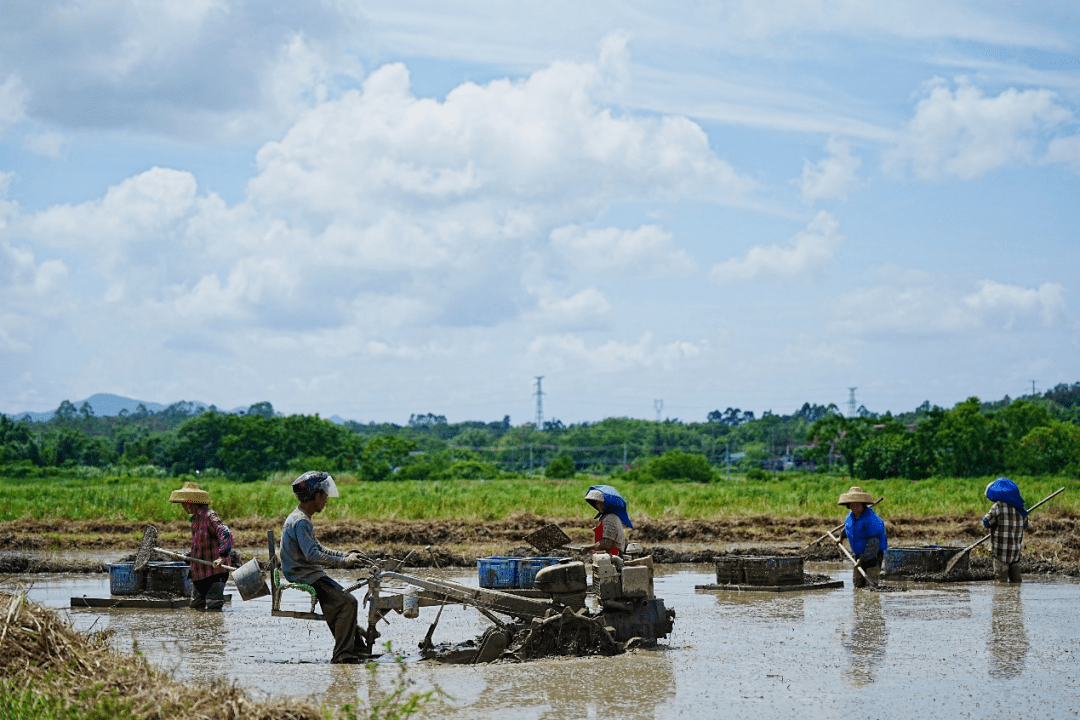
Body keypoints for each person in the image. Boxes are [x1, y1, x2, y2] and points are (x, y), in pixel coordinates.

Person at [280, 470, 368, 663]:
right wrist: (344, 562)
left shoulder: (301, 517)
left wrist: (344, 555)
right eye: (324, 494)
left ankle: (358, 648)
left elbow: (317, 547)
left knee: (338, 602)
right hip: (304, 574)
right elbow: (312, 555)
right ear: (315, 495)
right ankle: (343, 655)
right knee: (348, 602)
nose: (327, 499)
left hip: (306, 571)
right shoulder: (301, 521)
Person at [168, 481, 233, 611]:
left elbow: (226, 533)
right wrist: (182, 556)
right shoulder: (195, 520)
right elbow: (199, 548)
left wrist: (222, 556)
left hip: (214, 571)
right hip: (199, 573)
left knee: (213, 608)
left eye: (183, 504)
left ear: (190, 503)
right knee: (195, 607)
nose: (183, 507)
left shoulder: (209, 516)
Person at [837, 486, 887, 588]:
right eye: (852, 505)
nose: (855, 508)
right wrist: (840, 538)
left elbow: (874, 543)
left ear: (863, 505)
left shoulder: (872, 519)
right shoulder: (850, 517)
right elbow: (848, 528)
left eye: (857, 505)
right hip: (859, 554)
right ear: (848, 505)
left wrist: (861, 560)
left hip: (873, 554)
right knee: (857, 582)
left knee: (871, 583)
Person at [983, 477, 1028, 583]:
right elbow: (1026, 526)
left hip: (1000, 553)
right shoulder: (1021, 509)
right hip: (1015, 553)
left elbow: (986, 522)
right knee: (1016, 582)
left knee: (1001, 583)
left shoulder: (998, 507)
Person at [584, 485, 632, 557]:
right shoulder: (608, 517)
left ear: (607, 504)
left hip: (613, 556)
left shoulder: (610, 518)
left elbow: (607, 543)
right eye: (598, 503)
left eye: (602, 503)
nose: (599, 506)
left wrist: (589, 548)